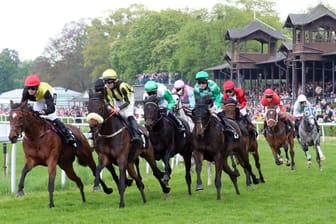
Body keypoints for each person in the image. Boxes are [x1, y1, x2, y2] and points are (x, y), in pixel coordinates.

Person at [21, 74, 77, 148]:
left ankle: (68, 135)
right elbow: (22, 107)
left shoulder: (46, 91)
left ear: (37, 87)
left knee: (52, 116)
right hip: (39, 99)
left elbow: (51, 109)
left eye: (33, 88)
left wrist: (41, 112)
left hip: (50, 94)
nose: (30, 90)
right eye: (28, 88)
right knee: (34, 116)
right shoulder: (25, 92)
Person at [100, 69, 142, 145]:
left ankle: (136, 135)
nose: (107, 84)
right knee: (115, 114)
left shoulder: (122, 86)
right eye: (105, 82)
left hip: (127, 98)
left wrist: (119, 108)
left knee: (128, 115)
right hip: (117, 98)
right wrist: (110, 106)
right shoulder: (106, 88)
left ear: (114, 81)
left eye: (109, 82)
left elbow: (127, 102)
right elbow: (108, 100)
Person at [193, 71, 238, 139]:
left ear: (207, 81)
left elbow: (218, 99)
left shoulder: (213, 86)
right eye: (199, 83)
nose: (201, 85)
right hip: (205, 102)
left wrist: (214, 108)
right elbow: (198, 100)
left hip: (216, 100)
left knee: (219, 112)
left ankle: (228, 127)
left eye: (203, 82)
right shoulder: (196, 88)